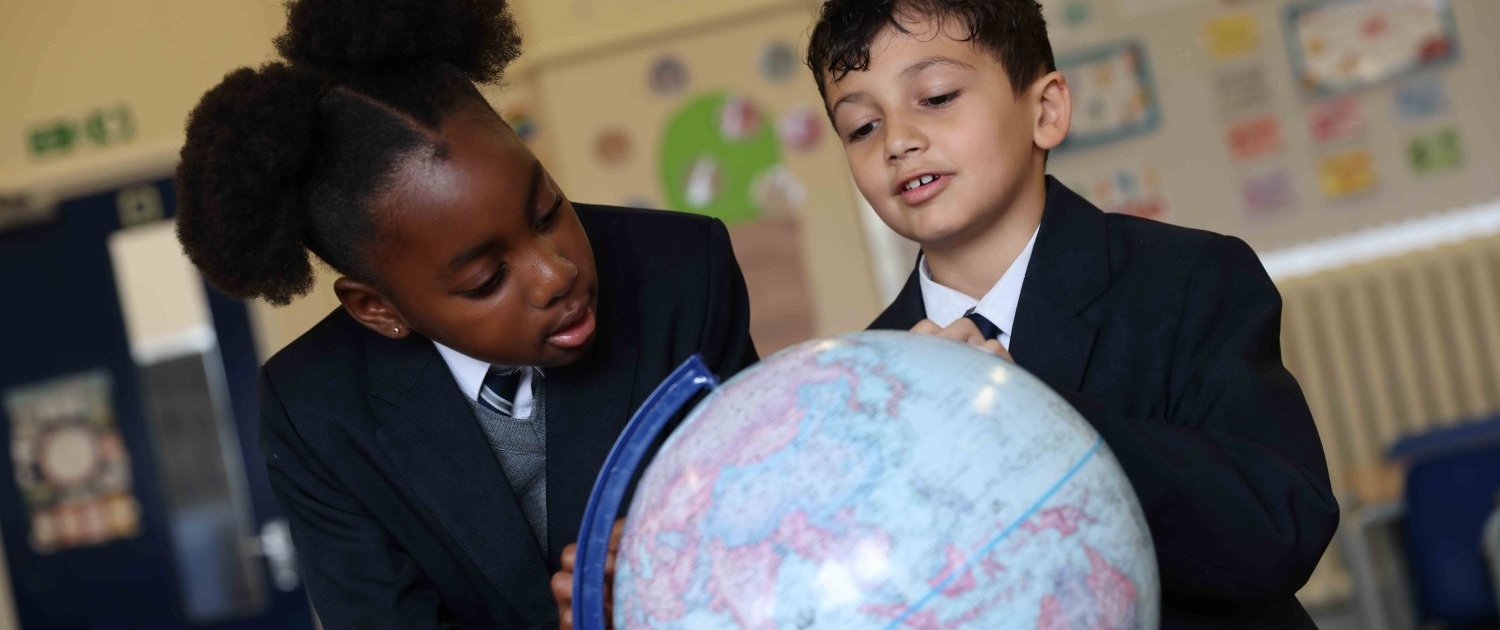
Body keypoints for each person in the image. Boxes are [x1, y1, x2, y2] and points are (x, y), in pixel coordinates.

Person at [173, 0, 756, 627]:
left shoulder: (682, 270)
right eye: (487, 280)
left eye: (547, 211)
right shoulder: (316, 411)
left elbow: (767, 510)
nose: (556, 274)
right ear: (378, 308)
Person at [804, 0, 1338, 627]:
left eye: (938, 97)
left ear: (1047, 111)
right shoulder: (868, 379)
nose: (898, 141)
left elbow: (1281, 529)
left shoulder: (1186, 278)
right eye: (862, 127)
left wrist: (1037, 418)